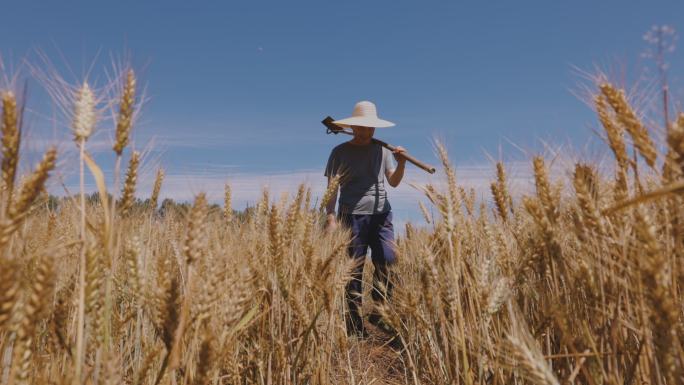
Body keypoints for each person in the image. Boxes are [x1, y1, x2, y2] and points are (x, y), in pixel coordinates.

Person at [324, 100, 406, 339]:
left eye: (370, 128)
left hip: (381, 213)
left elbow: (393, 181)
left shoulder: (382, 151)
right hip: (351, 215)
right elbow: (332, 188)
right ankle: (354, 325)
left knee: (388, 259)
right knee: (353, 270)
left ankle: (379, 309)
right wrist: (330, 216)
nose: (365, 132)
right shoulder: (339, 152)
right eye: (361, 127)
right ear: (353, 126)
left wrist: (401, 164)